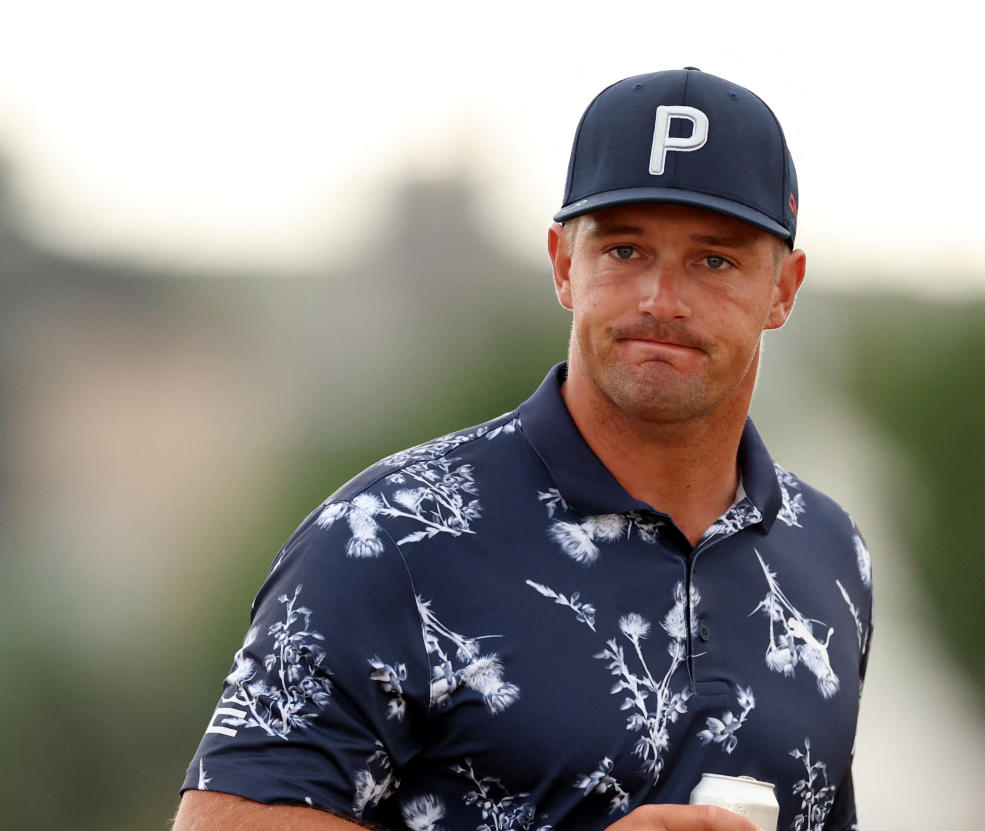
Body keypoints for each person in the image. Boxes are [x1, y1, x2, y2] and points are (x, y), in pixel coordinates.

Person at [174, 67, 874, 831]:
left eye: (715, 260)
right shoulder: (391, 534)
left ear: (784, 288)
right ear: (564, 263)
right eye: (626, 250)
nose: (660, 300)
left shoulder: (831, 554)